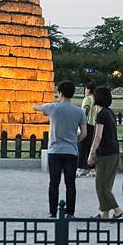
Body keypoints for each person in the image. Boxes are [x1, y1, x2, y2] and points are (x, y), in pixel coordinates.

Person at [34, 80, 87, 218]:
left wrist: (37, 106)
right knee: (70, 184)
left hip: (55, 151)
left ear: (60, 93)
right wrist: (75, 141)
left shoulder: (53, 108)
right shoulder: (79, 111)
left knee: (54, 183)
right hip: (71, 151)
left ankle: (53, 212)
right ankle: (70, 212)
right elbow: (84, 133)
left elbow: (37, 108)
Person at [87, 86, 123, 220]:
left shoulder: (101, 115)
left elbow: (98, 136)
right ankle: (105, 214)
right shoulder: (110, 112)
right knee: (106, 184)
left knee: (101, 185)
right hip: (113, 151)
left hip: (106, 153)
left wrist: (91, 153)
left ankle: (117, 210)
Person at [77, 83, 98, 177]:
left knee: (82, 146)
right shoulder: (96, 99)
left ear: (88, 90)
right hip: (94, 125)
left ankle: (81, 168)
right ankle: (92, 169)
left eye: (86, 89)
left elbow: (85, 110)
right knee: (91, 146)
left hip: (87, 124)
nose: (85, 91)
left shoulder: (88, 98)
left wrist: (80, 122)